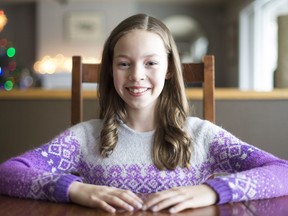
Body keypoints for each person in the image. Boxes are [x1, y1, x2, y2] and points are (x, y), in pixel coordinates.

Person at [1, 13, 288, 214]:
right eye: (124, 64)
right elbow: (8, 174)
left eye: (150, 63)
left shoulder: (202, 136)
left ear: (169, 71)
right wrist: (75, 189)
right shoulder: (85, 137)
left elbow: (282, 172)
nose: (136, 75)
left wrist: (214, 191)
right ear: (111, 71)